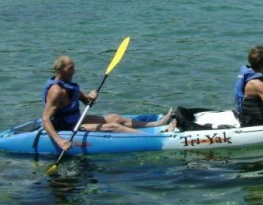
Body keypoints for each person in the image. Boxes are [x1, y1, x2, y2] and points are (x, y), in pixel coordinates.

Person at [42, 55, 174, 152]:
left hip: (76, 120)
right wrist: (60, 141)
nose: (74, 71)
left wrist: (91, 97)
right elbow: (46, 119)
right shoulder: (56, 91)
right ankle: (155, 138)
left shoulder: (70, 83)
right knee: (113, 126)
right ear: (60, 70)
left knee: (115, 117)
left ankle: (158, 123)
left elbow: (87, 102)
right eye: (71, 69)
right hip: (66, 127)